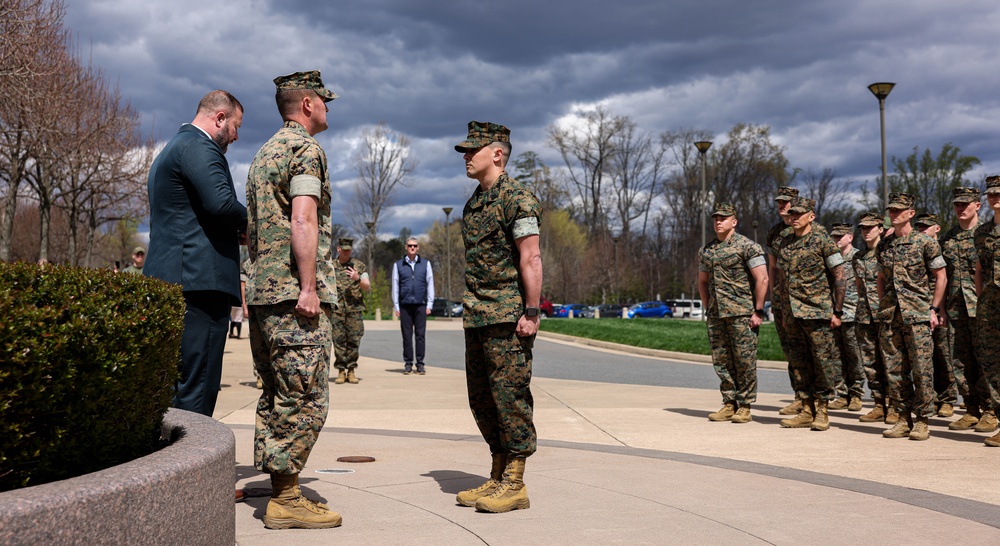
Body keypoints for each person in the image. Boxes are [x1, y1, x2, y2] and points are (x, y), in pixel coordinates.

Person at [245, 70, 342, 529]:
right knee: (305, 398)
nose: (328, 107)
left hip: (265, 295)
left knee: (276, 392)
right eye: (324, 100)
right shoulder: (306, 150)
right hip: (292, 298)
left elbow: (252, 232)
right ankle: (285, 498)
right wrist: (308, 288)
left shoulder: (263, 154)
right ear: (307, 103)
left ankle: (281, 481)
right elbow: (303, 221)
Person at [453, 121, 542, 513]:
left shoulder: (518, 199)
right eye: (465, 151)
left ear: (498, 154)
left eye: (474, 150)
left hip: (508, 317)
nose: (467, 157)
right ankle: (497, 473)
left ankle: (516, 482)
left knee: (510, 398)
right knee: (482, 400)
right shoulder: (474, 204)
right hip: (477, 316)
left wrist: (533, 311)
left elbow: (531, 257)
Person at [144, 90, 247, 417]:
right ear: (219, 118)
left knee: (177, 386)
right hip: (199, 285)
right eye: (235, 126)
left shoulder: (172, 149)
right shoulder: (199, 146)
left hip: (176, 279)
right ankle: (194, 464)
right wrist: (259, 225)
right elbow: (222, 204)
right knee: (197, 387)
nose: (236, 135)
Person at [876, 193, 946, 441]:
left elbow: (941, 276)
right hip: (891, 316)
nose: (893, 214)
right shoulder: (884, 245)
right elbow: (881, 279)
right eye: (891, 210)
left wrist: (934, 309)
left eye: (899, 210)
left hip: (917, 313)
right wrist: (883, 307)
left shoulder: (925, 242)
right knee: (894, 370)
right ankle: (902, 418)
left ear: (911, 213)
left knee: (922, 369)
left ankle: (923, 420)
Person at [775, 197, 846, 432]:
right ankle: (806, 409)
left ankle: (822, 409)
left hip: (817, 312)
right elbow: (782, 280)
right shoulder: (785, 243)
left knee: (823, 362)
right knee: (798, 363)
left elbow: (839, 277)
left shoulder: (823, 240)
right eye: (791, 214)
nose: (794, 217)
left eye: (799, 214)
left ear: (811, 216)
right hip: (792, 313)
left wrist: (837, 311)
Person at [698, 202, 768, 423]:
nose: (718, 221)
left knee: (744, 360)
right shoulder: (707, 250)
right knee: (721, 360)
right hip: (717, 314)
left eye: (723, 218)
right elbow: (702, 281)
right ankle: (729, 402)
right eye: (716, 218)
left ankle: (745, 405)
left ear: (734, 222)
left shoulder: (748, 247)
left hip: (741, 313)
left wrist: (758, 311)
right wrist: (707, 306)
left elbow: (762, 279)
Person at [944, 187, 988, 432]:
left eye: (965, 204)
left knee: (987, 361)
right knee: (960, 361)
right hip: (956, 309)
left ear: (977, 206)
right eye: (957, 205)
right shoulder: (948, 238)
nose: (960, 208)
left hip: (983, 308)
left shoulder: (986, 235)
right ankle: (971, 409)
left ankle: (991, 410)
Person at [914, 213, 960, 418]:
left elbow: (946, 279)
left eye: (926, 226)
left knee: (943, 353)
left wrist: (941, 309)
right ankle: (929, 397)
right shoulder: (916, 248)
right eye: (919, 227)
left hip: (941, 306)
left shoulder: (943, 248)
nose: (922, 230)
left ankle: (948, 398)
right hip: (920, 307)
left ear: (937, 228)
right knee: (924, 357)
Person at [765, 186, 803, 416]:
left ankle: (817, 399)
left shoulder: (809, 231)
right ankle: (799, 396)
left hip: (807, 301)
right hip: (782, 300)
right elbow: (772, 266)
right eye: (779, 201)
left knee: (811, 350)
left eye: (787, 202)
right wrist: (773, 295)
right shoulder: (775, 233)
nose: (782, 205)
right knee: (790, 350)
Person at [853, 212, 891, 423]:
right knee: (870, 362)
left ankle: (895, 404)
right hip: (864, 315)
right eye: (863, 228)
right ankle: (879, 403)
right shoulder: (857, 258)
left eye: (870, 227)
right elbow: (860, 287)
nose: (866, 231)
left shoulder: (887, 253)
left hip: (885, 315)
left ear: (880, 229)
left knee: (891, 362)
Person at [828, 222, 865, 412]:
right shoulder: (830, 259)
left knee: (854, 355)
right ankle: (842, 393)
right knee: (836, 356)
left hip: (852, 313)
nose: (836, 240)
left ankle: (856, 394)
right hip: (833, 313)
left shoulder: (857, 257)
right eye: (833, 237)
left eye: (839, 237)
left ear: (850, 237)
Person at [974, 176, 1000, 446]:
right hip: (990, 308)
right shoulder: (982, 233)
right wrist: (982, 300)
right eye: (991, 194)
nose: (994, 197)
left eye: (999, 192)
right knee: (993, 366)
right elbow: (979, 270)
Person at [391, 237, 434, 375]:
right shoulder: (398, 265)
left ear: (418, 247)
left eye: (415, 246)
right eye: (410, 246)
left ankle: (420, 364)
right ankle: (408, 363)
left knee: (420, 335)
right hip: (405, 305)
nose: (412, 248)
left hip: (421, 305)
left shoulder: (425, 264)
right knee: (407, 335)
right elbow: (395, 286)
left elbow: (430, 284)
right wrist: (396, 306)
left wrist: (430, 303)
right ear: (406, 247)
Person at [332, 237, 370, 384]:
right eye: (344, 250)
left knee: (354, 340)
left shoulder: (358, 266)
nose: (347, 252)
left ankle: (351, 370)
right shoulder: (331, 266)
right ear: (338, 249)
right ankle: (341, 371)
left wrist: (357, 278)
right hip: (337, 311)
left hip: (354, 311)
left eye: (349, 250)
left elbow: (367, 286)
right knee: (339, 341)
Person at [230, 258, 249, 339]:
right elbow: (243, 287)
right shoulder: (242, 280)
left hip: (233, 300)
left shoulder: (234, 277)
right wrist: (244, 304)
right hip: (239, 301)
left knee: (233, 319)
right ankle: (238, 334)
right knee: (238, 319)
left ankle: (231, 333)